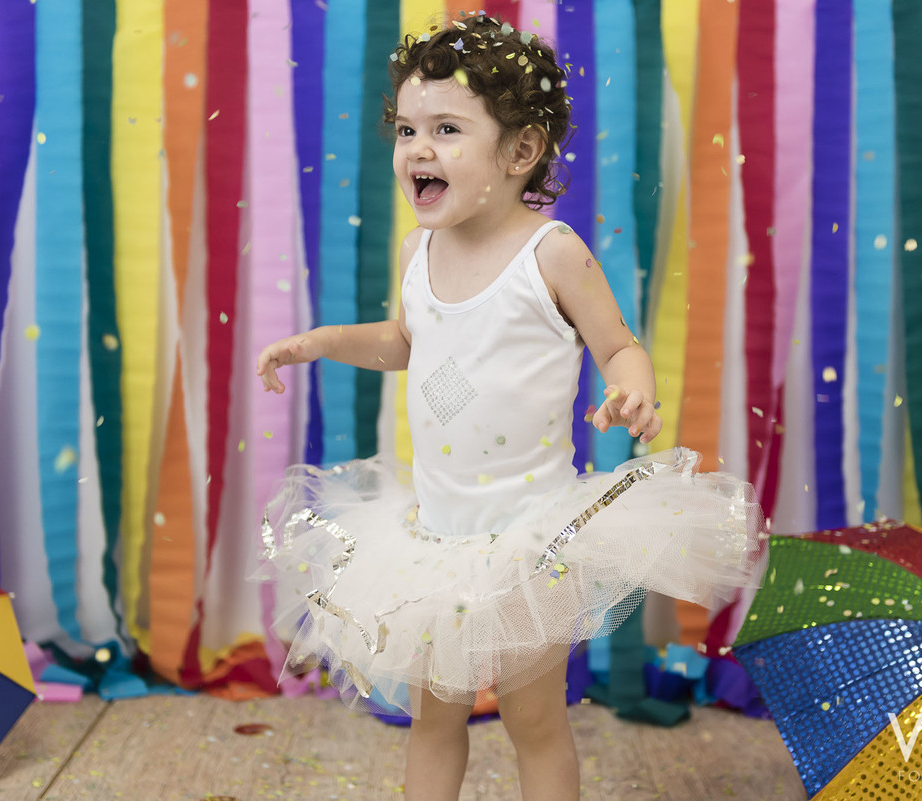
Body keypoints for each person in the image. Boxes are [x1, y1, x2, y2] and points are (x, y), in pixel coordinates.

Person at [255, 13, 762, 801]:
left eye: (447, 129)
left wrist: (635, 387)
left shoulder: (549, 252)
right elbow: (405, 342)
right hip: (431, 539)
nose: (418, 149)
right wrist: (321, 341)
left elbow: (619, 345)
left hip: (531, 540)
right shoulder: (416, 252)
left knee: (534, 722)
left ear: (520, 150)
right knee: (434, 719)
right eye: (407, 129)